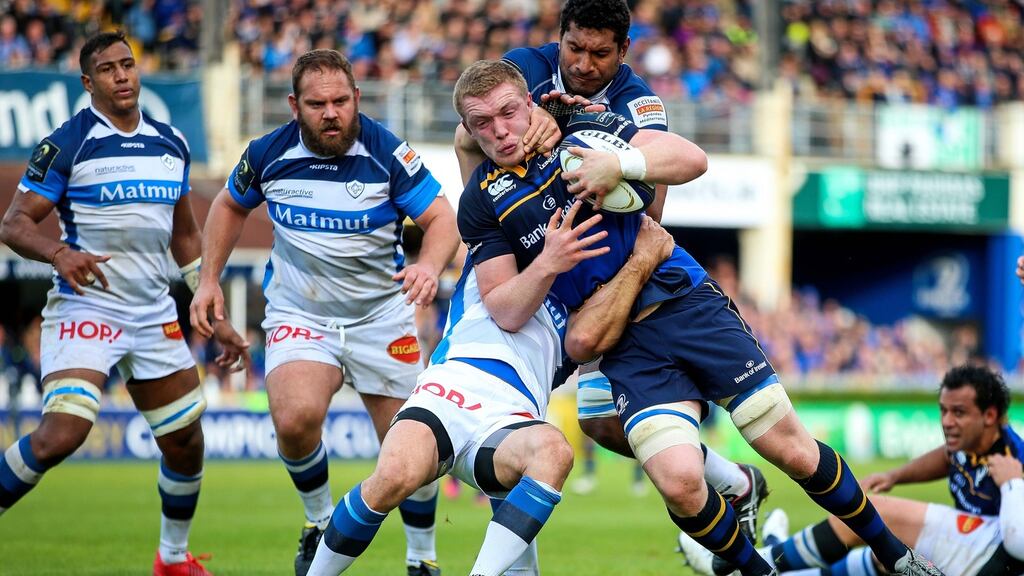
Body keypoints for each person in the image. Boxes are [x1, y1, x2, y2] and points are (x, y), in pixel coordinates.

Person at [454, 59, 941, 576]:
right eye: (482, 123)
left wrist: (621, 166)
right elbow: (504, 308)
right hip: (623, 345)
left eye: (509, 112)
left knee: (792, 451)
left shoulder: (583, 126)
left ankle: (899, 558)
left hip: (686, 303)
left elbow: (690, 158)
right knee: (681, 485)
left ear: (530, 102)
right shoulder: (480, 202)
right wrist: (550, 261)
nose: (500, 130)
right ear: (467, 127)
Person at [455, 0, 769, 546]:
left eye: (600, 53)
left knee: (603, 423)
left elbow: (654, 204)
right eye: (574, 47)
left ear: (622, 51)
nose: (583, 63)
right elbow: (468, 138)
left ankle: (728, 479)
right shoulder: (524, 68)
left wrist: (583, 141)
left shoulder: (638, 101)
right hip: (533, 263)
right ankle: (733, 481)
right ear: (561, 37)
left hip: (601, 270)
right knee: (593, 422)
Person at [188, 49, 460, 576]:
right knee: (293, 419)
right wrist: (207, 279)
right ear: (295, 105)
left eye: (340, 101)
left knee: (413, 447)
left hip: (382, 316)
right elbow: (228, 205)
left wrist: (428, 264)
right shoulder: (269, 152)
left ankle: (422, 557)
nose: (331, 112)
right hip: (301, 311)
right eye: (317, 104)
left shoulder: (386, 151)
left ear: (357, 98)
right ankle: (318, 523)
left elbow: (441, 217)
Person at [305, 203, 677, 576]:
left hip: (510, 421)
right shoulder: (494, 247)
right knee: (394, 474)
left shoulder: (595, 306)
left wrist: (641, 257)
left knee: (553, 452)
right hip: (447, 392)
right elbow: (471, 147)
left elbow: (657, 189)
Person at [0, 30, 248, 576]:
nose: (123, 76)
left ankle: (173, 559)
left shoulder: (170, 142)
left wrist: (214, 305)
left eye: (128, 65)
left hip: (152, 311)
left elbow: (185, 235)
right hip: (88, 307)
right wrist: (59, 253)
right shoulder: (69, 142)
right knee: (63, 433)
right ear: (89, 83)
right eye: (109, 69)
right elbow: (14, 224)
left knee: (185, 441)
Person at [678, 364, 1024, 576]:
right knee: (879, 559)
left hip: (1002, 563)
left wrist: (1012, 485)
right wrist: (895, 476)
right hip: (976, 555)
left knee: (880, 517)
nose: (947, 422)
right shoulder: (967, 447)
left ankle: (740, 562)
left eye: (958, 413)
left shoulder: (1013, 460)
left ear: (990, 416)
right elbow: (948, 457)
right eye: (943, 411)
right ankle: (773, 556)